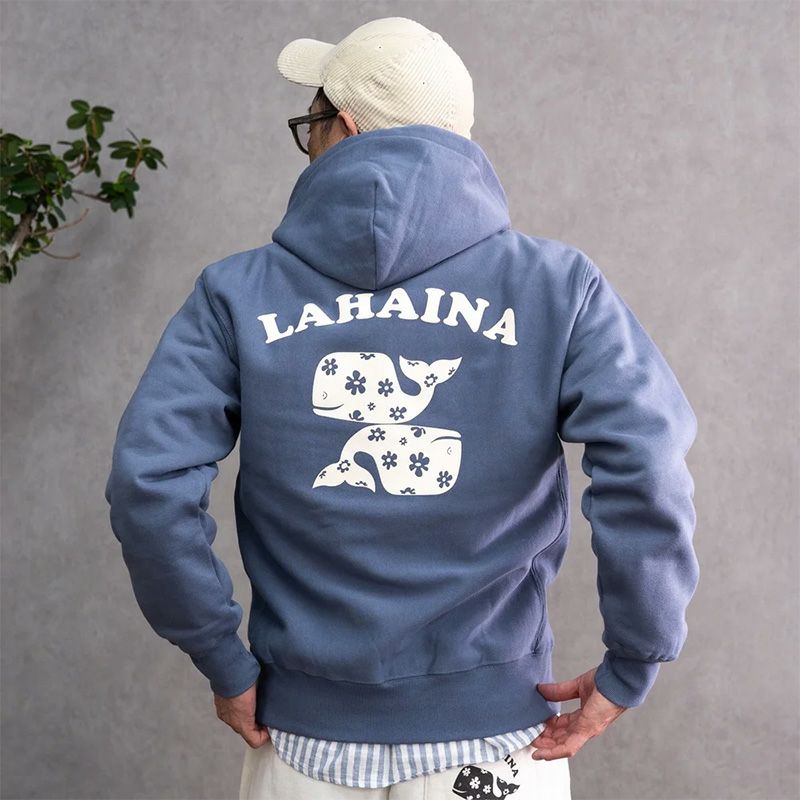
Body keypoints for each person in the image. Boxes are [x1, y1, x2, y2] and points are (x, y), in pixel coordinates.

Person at [104, 16, 699, 800]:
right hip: (499, 740)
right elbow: (649, 468)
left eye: (310, 123)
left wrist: (221, 656)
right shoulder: (559, 289)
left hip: (303, 742)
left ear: (343, 128)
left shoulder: (236, 295)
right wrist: (634, 660)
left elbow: (148, 485)